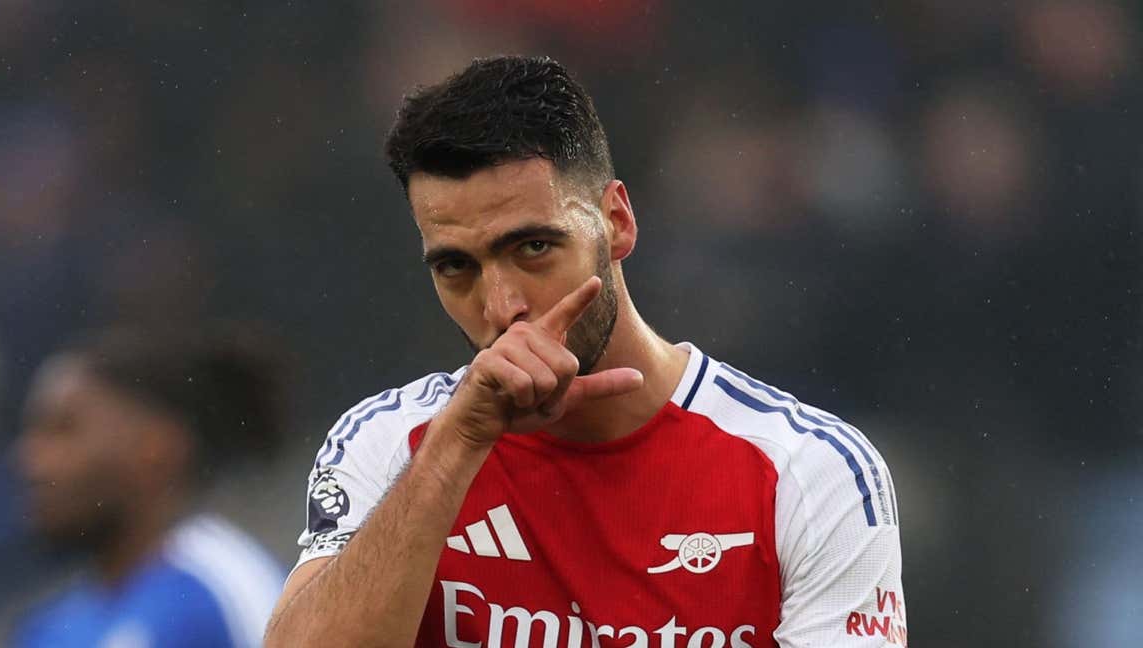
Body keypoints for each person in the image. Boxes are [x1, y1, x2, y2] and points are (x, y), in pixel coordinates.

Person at [266, 55, 906, 648]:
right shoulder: (392, 443)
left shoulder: (810, 474)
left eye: (533, 248)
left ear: (617, 222)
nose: (502, 306)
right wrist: (456, 447)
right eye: (456, 267)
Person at [14, 327, 287, 648]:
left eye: (64, 429)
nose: (31, 459)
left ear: (156, 447)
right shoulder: (46, 633)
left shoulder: (223, 587)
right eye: (32, 432)